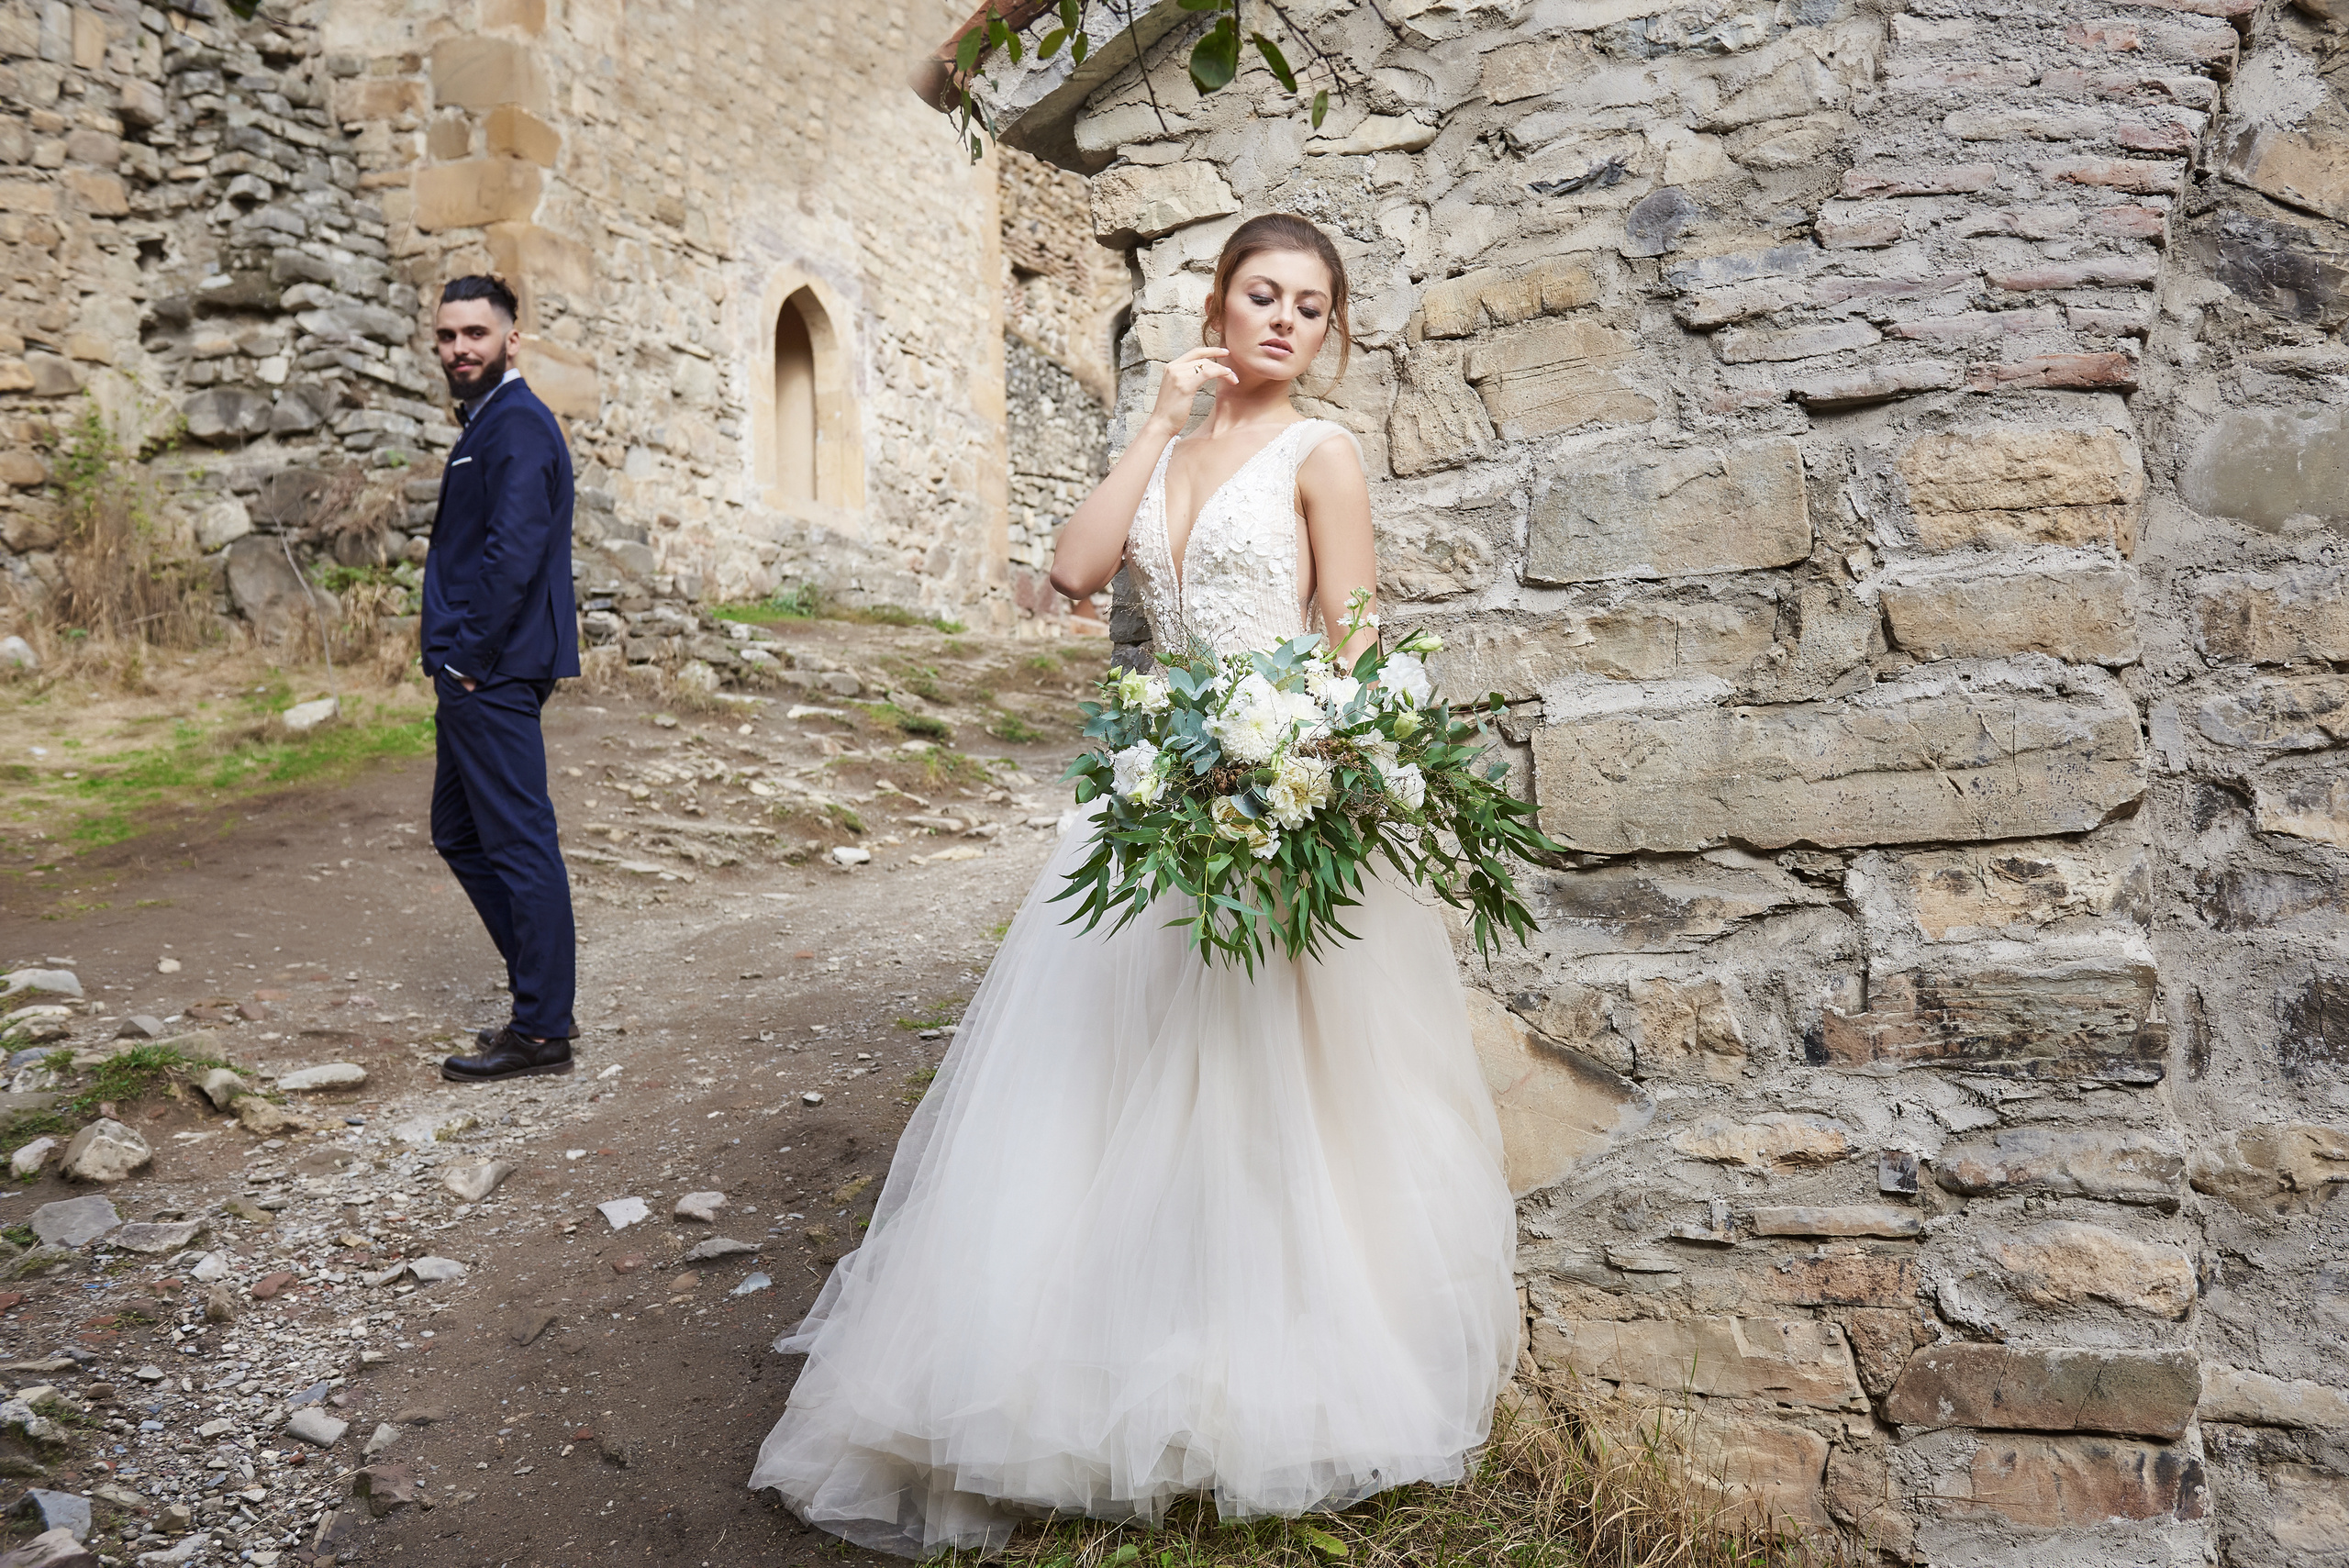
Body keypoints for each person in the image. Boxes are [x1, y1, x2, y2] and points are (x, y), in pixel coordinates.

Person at [749, 215, 1518, 1556]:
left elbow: (1353, 643)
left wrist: (1302, 776)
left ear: (1330, 332)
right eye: (1262, 294)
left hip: (1270, 807)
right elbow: (1074, 570)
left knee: (1264, 1096)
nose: (1285, 320)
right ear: (1217, 302)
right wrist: (1156, 421)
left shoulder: (1321, 455)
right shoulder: (1175, 431)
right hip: (1147, 808)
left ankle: (1262, 1385)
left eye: (1311, 307)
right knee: (1105, 1086)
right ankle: (1098, 1368)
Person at [420, 273, 583, 1084]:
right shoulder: (492, 421)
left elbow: (512, 553)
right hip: (481, 668)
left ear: (510, 339)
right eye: (448, 336)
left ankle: (543, 1030)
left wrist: (467, 660)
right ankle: (544, 997)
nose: (459, 349)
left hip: (494, 669)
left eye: (474, 335)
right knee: (458, 830)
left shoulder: (516, 424)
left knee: (519, 841)